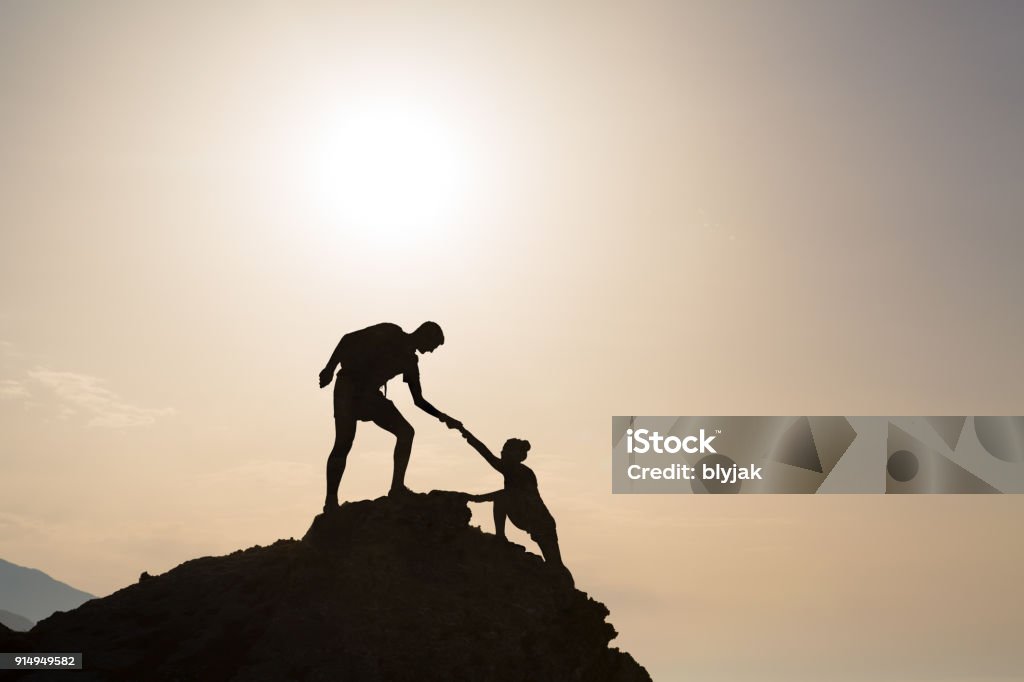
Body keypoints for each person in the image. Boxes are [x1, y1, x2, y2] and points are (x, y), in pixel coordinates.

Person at [318, 321, 460, 511]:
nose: (431, 351)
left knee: (406, 432)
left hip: (371, 396)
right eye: (433, 345)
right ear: (424, 335)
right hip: (348, 387)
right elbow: (348, 339)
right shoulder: (390, 332)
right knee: (343, 443)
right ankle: (330, 500)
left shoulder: (410, 362)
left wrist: (443, 417)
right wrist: (329, 368)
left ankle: (397, 488)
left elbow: (418, 400)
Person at [457, 425, 573, 584]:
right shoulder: (515, 470)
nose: (502, 452)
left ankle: (567, 589)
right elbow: (488, 456)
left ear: (518, 456)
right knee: (554, 564)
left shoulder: (519, 471)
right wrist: (464, 433)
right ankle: (500, 536)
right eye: (503, 450)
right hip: (529, 516)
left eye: (507, 450)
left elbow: (488, 458)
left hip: (540, 522)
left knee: (555, 564)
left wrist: (476, 498)